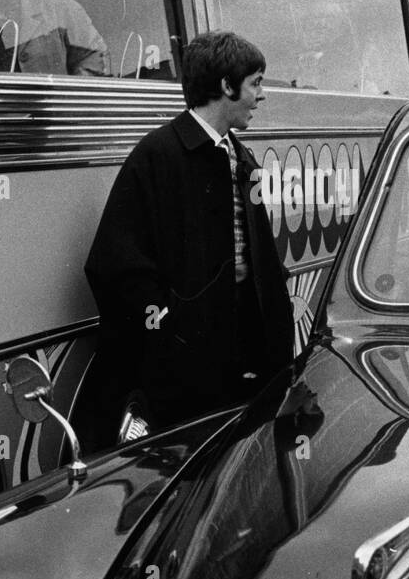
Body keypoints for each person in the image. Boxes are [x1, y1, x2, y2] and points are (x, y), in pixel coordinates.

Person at [82, 30, 294, 445]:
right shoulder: (158, 154)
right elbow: (113, 263)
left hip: (243, 363)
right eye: (255, 83)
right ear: (225, 86)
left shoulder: (240, 155)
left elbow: (259, 261)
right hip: (185, 380)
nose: (262, 95)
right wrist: (171, 329)